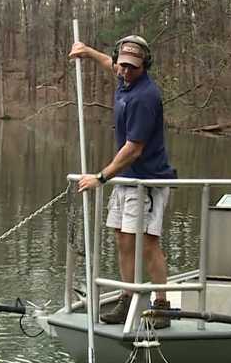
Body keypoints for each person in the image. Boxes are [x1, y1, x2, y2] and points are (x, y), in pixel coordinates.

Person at [69, 35, 177, 328]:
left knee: (148, 244)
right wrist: (87, 51)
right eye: (122, 66)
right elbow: (110, 64)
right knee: (122, 239)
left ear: (145, 66)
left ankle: (162, 306)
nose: (125, 72)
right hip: (126, 180)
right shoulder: (123, 79)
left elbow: (134, 149)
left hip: (148, 180)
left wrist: (101, 177)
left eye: (133, 67)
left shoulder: (146, 96)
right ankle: (127, 300)